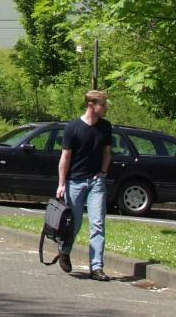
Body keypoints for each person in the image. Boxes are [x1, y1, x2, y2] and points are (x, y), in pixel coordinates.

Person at [56, 90, 113, 282]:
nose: (106, 108)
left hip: (96, 183)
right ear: (91, 105)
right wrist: (61, 184)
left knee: (98, 224)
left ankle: (96, 267)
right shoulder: (73, 128)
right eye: (103, 105)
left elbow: (107, 152)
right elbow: (65, 157)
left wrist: (103, 172)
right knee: (75, 223)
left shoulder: (105, 127)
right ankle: (64, 250)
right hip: (75, 182)